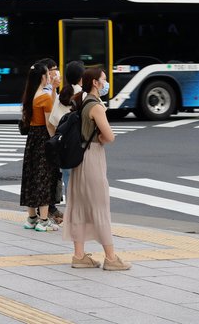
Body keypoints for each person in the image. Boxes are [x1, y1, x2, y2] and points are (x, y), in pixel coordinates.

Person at [62, 67, 131, 271]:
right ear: (95, 82)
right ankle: (111, 258)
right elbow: (109, 136)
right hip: (92, 157)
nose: (106, 82)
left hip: (79, 158)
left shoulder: (82, 102)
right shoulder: (96, 106)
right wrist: (100, 138)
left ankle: (79, 255)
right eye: (104, 79)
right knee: (100, 206)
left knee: (79, 206)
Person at [20, 62, 61, 232]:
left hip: (32, 139)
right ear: (43, 77)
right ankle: (43, 221)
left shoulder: (29, 96)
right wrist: (56, 139)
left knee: (31, 176)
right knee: (43, 177)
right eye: (47, 75)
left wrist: (52, 90)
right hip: (43, 138)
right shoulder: (43, 98)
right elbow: (49, 124)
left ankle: (31, 218)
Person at [48, 60, 85, 195]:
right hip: (79, 148)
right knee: (81, 188)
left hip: (63, 148)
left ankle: (70, 214)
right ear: (82, 78)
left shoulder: (61, 95)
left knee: (68, 185)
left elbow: (51, 123)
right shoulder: (84, 95)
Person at [38, 58, 63, 223]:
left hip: (41, 138)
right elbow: (51, 118)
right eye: (53, 69)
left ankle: (43, 212)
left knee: (49, 174)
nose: (56, 72)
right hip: (47, 137)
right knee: (50, 174)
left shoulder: (41, 91)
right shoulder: (45, 93)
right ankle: (49, 211)